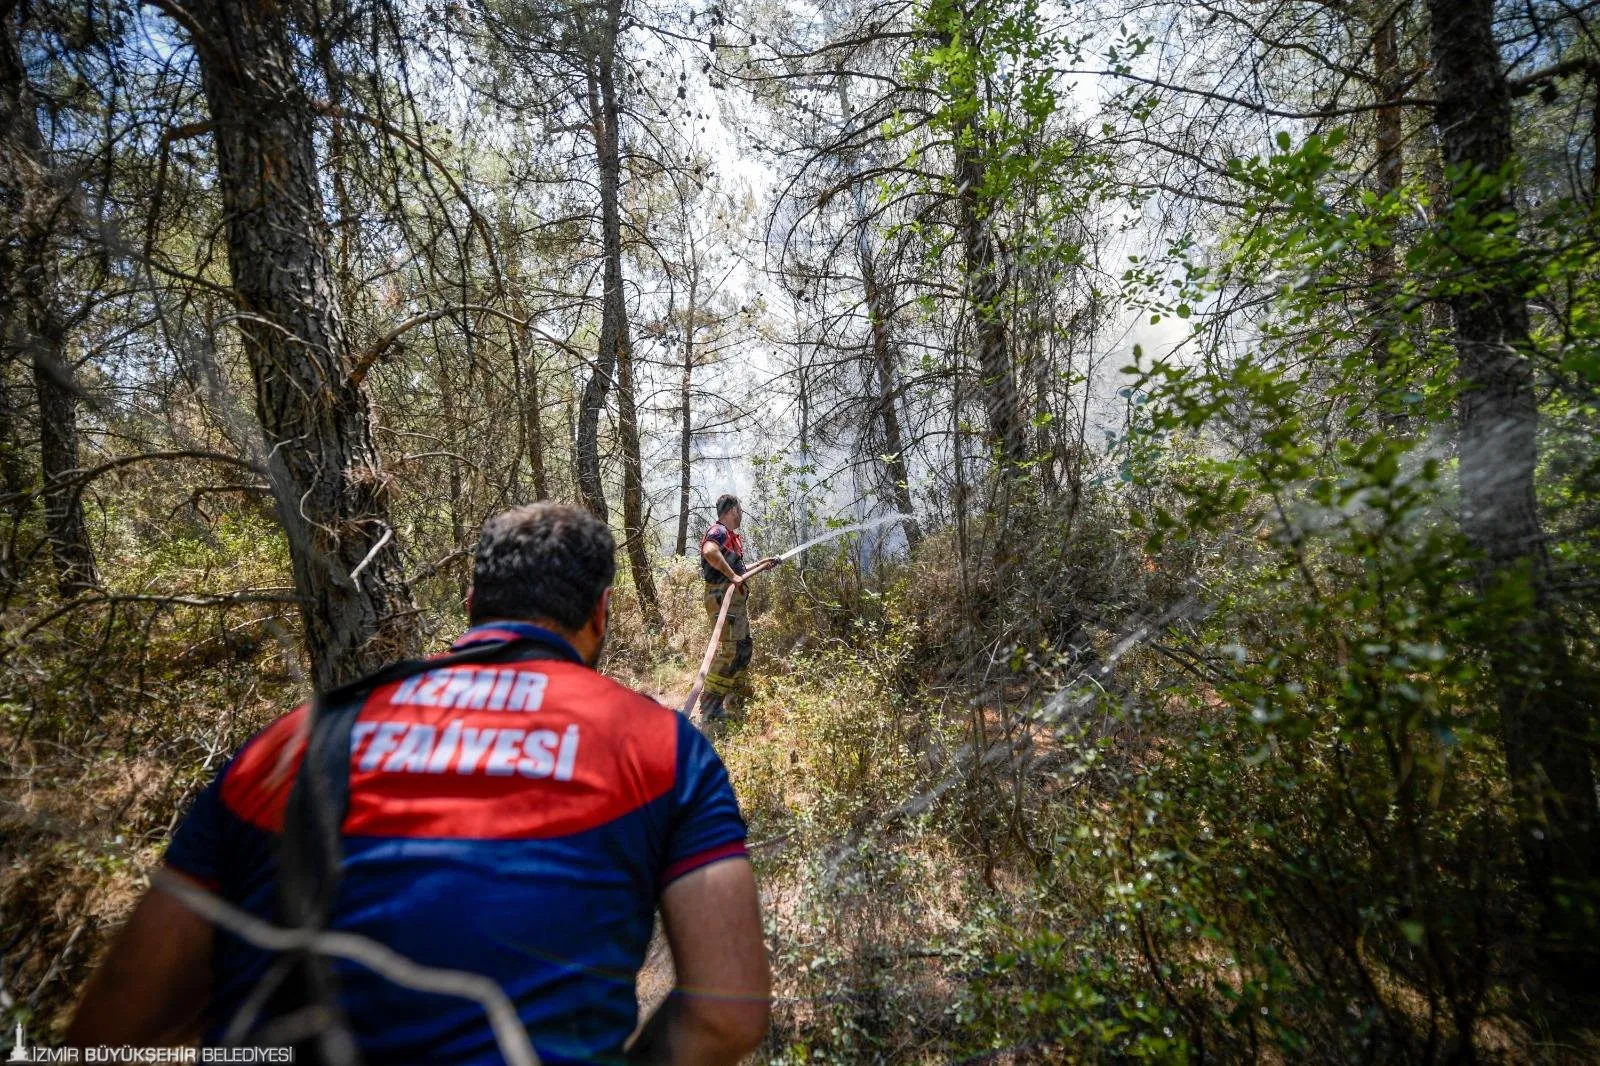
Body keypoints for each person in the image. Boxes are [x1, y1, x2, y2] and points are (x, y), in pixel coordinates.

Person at [66, 503, 770, 1065]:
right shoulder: (661, 751)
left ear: (471, 603)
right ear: (601, 613)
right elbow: (726, 1014)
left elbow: (107, 1032)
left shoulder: (287, 746)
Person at [698, 494, 777, 721]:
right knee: (731, 651)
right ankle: (710, 706)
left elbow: (740, 571)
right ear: (732, 510)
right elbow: (709, 552)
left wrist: (762, 564)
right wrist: (732, 576)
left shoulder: (731, 537)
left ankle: (734, 695)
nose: (741, 513)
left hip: (732, 600)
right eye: (739, 509)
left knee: (743, 647)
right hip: (723, 597)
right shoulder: (719, 531)